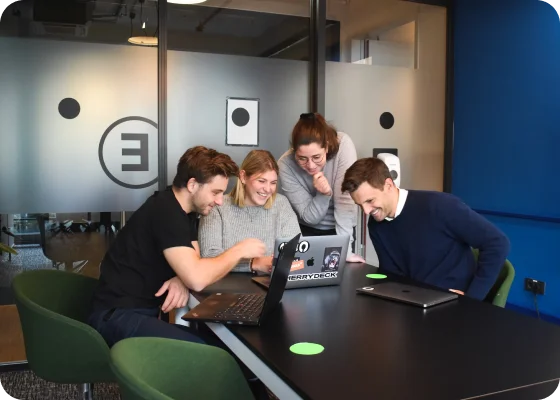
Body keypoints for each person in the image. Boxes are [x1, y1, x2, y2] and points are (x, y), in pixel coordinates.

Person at [87, 146, 267, 347]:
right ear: (192, 184)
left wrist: (182, 277)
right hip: (115, 317)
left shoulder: (183, 211)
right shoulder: (166, 212)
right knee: (215, 351)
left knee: (218, 344)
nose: (219, 201)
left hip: (135, 314)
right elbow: (198, 279)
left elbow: (195, 260)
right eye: (215, 192)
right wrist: (239, 251)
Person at [341, 157, 510, 300]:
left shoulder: (440, 206)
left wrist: (472, 298)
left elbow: (497, 243)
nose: (366, 211)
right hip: (416, 302)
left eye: (370, 201)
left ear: (389, 185)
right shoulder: (376, 225)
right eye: (359, 205)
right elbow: (393, 276)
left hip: (454, 305)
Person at [278, 112, 365, 263]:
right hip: (306, 231)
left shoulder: (343, 145)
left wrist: (346, 251)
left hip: (342, 229)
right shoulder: (285, 165)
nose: (311, 165)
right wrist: (324, 194)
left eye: (316, 157)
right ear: (294, 151)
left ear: (327, 147)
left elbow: (345, 203)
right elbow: (310, 217)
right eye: (302, 158)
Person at [199, 150, 301, 274]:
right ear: (243, 177)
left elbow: (298, 251)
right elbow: (209, 257)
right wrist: (253, 263)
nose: (268, 189)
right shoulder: (217, 206)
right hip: (226, 282)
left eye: (273, 183)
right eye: (261, 181)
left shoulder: (281, 204)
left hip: (269, 282)